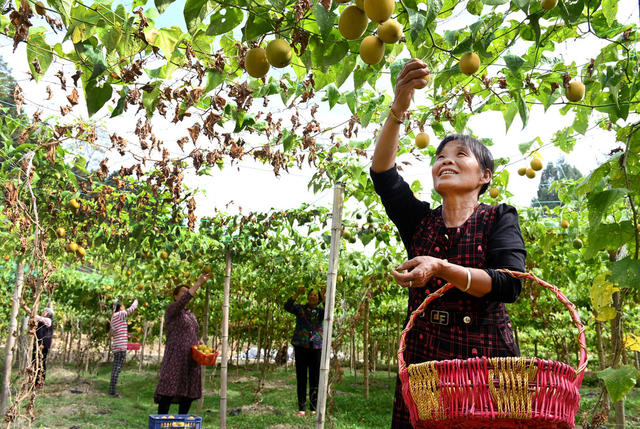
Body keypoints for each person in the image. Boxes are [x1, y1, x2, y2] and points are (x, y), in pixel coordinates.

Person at [370, 59, 527, 428]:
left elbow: (509, 283)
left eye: (460, 155)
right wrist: (399, 107)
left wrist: (440, 268)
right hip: (425, 355)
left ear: (484, 176)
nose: (446, 160)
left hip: (486, 356)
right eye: (440, 156)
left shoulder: (498, 218)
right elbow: (383, 175)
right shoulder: (419, 221)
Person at [154, 273, 210, 415]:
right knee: (168, 388)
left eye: (188, 291)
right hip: (176, 356)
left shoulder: (190, 315)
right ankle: (161, 422)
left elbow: (193, 332)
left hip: (191, 358)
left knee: (188, 392)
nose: (187, 294)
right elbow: (182, 302)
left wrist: (198, 341)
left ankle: (181, 422)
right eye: (183, 292)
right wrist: (197, 284)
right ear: (175, 296)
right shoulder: (172, 310)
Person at [284, 286, 325, 417]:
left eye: (315, 296)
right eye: (311, 295)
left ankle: (313, 408)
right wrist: (297, 293)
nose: (313, 297)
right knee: (301, 377)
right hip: (301, 345)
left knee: (315, 378)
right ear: (307, 297)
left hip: (316, 347)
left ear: (318, 299)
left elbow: (330, 312)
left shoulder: (321, 311)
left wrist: (324, 295)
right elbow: (287, 306)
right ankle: (301, 408)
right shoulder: (300, 308)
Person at [109, 298, 138, 398]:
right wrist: (136, 301)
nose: (124, 308)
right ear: (120, 308)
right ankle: (113, 392)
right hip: (121, 347)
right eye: (123, 306)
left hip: (117, 345)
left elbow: (116, 332)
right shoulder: (120, 315)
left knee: (116, 368)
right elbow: (131, 310)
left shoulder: (114, 317)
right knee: (117, 369)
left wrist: (127, 335)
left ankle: (111, 390)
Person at [33, 307, 54, 388]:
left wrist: (33, 314)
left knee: (41, 362)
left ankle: (40, 381)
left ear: (48, 314)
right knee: (35, 361)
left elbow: (37, 317)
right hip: (38, 344)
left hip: (43, 345)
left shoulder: (48, 320)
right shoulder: (41, 320)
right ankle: (35, 382)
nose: (43, 312)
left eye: (45, 311)